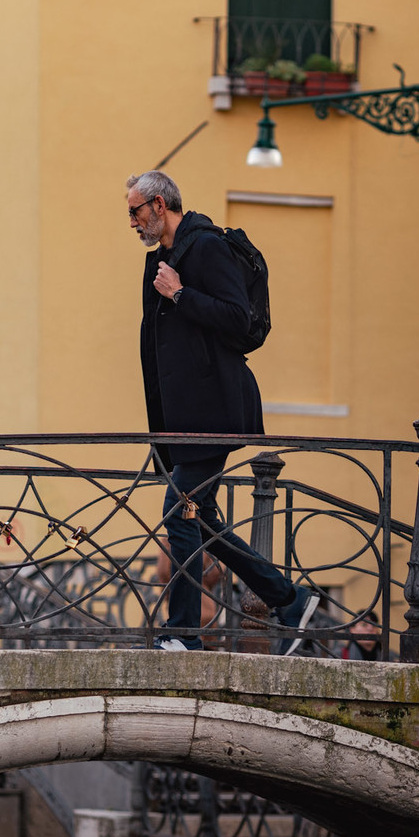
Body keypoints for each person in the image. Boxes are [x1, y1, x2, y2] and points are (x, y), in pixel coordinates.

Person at [126, 169, 317, 653]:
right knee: (202, 517)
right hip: (185, 421)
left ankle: (185, 632)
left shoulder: (205, 246)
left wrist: (180, 295)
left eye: (134, 211)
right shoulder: (166, 259)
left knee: (180, 511)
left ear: (159, 205)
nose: (131, 222)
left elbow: (237, 318)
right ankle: (287, 600)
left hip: (215, 412)